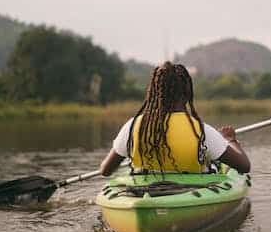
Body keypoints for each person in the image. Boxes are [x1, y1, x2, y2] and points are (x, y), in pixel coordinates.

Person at [100, 61, 250, 177]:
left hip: (141, 192)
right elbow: (244, 166)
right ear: (187, 93)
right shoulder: (202, 132)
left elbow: (105, 170)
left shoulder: (133, 127)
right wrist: (230, 139)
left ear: (153, 93)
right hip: (190, 194)